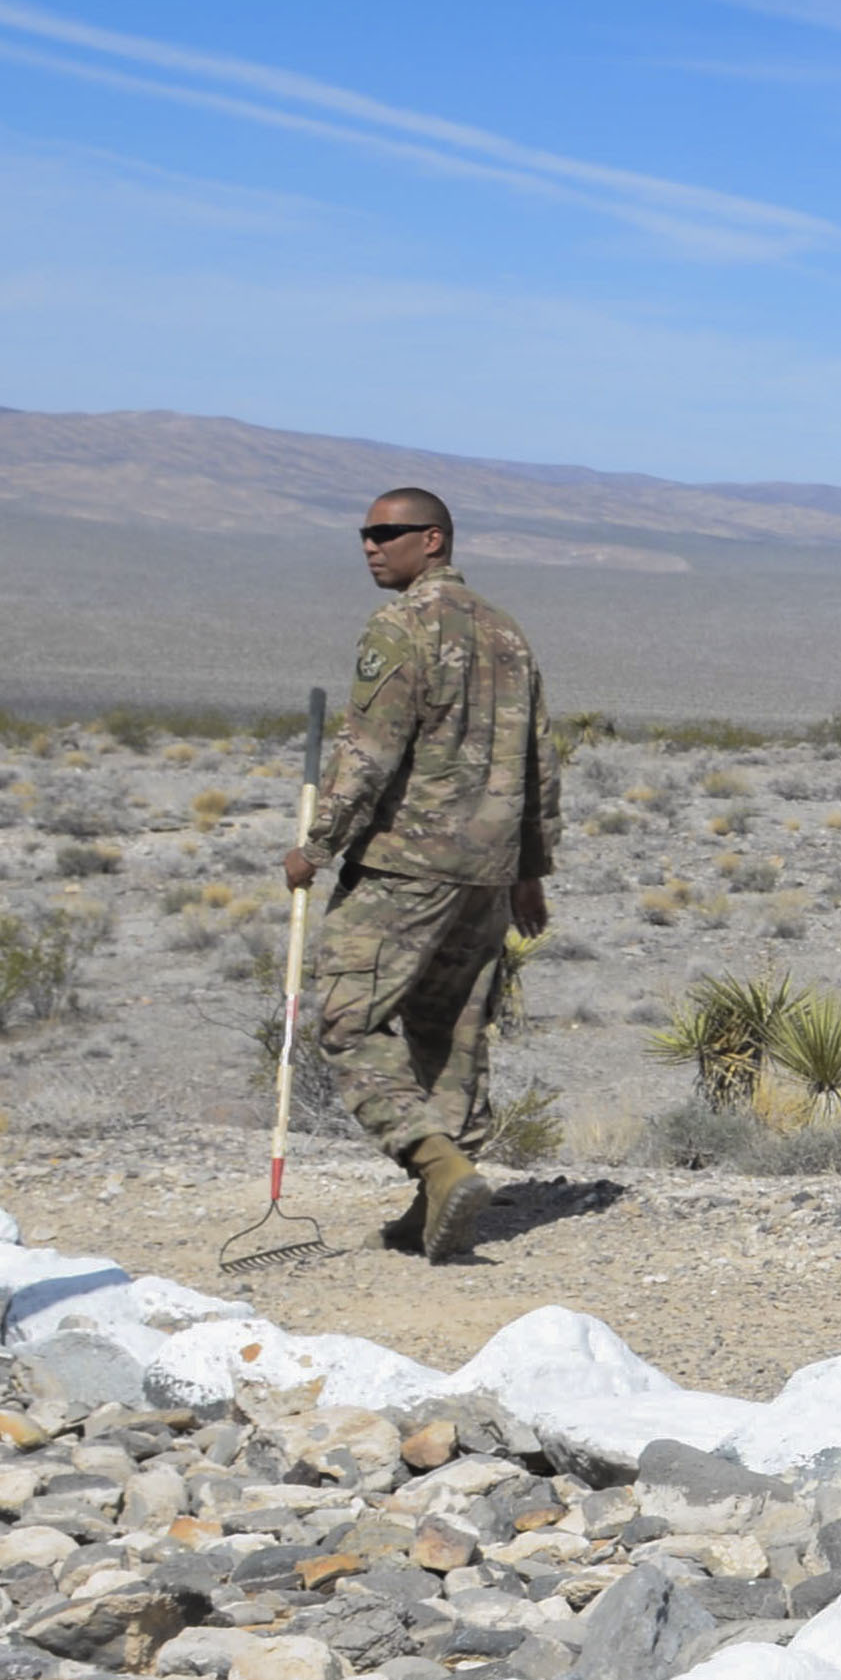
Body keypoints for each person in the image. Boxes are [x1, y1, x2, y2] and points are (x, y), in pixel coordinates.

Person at [279, 486, 557, 1262]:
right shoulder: (508, 633)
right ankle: (434, 1202)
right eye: (365, 534)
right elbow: (540, 761)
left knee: (347, 1017)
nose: (371, 546)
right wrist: (529, 870)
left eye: (387, 533)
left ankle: (435, 1163)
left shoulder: (400, 627)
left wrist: (318, 844)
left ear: (432, 541)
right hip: (487, 871)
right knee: (448, 1033)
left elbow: (369, 751)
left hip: (408, 864)